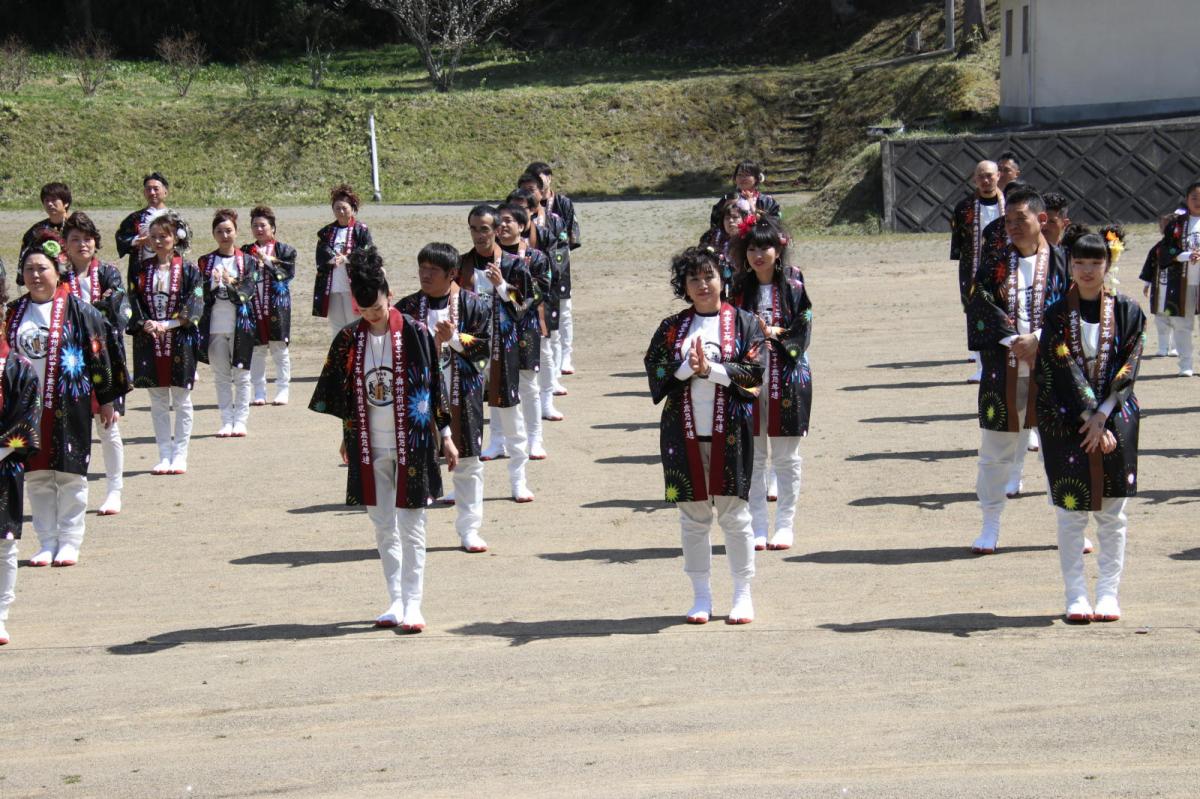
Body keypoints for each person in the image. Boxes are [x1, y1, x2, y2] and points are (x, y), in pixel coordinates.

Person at [309, 247, 456, 631]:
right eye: (365, 311)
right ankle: (394, 599)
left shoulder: (415, 332)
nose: (372, 316)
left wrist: (446, 433)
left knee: (413, 522)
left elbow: (433, 386)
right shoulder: (348, 339)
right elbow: (342, 393)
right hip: (368, 442)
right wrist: (346, 434)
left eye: (377, 308)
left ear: (389, 296)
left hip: (412, 442)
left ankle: (414, 602)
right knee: (382, 523)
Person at [644, 247, 764, 625]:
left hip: (731, 432)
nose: (702, 285)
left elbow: (754, 374)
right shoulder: (672, 327)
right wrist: (685, 369)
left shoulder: (746, 323)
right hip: (684, 433)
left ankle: (742, 595)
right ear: (684, 286)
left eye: (709, 276)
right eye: (693, 279)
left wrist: (710, 368)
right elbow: (656, 372)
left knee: (735, 516)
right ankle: (700, 595)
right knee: (693, 518)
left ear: (723, 279)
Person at [1036, 225, 1144, 622]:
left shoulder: (1128, 310)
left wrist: (1103, 415)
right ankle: (1076, 594)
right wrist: (1087, 415)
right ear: (1070, 264)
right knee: (1071, 513)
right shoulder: (1055, 315)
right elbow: (1057, 367)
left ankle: (1109, 594)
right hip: (1066, 420)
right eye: (1079, 262)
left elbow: (1130, 364)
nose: (1087, 270)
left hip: (1116, 416)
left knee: (1113, 513)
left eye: (1095, 262)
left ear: (1107, 263)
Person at [7, 232, 125, 568]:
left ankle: (70, 540)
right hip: (26, 409)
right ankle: (46, 541)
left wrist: (106, 399)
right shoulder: (14, 313)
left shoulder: (80, 310)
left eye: (41, 268)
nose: (35, 275)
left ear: (57, 271)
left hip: (69, 402)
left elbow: (100, 356)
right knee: (37, 475)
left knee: (70, 475)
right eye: (29, 269)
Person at [966, 188, 1070, 554]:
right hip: (1004, 364)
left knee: (1060, 449)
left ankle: (1069, 525)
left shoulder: (1064, 262)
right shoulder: (994, 263)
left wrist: (1039, 338)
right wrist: (1014, 341)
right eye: (1007, 221)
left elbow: (1076, 309)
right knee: (996, 451)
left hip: (1055, 369)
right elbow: (980, 307)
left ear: (1042, 220)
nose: (1012, 227)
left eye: (1020, 220)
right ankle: (990, 523)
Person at [396, 243, 491, 553]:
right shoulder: (407, 308)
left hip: (463, 395)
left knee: (468, 463)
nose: (425, 275)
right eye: (421, 268)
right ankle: (412, 534)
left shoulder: (473, 305)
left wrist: (453, 338)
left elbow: (484, 351)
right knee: (416, 466)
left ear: (453, 274)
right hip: (419, 401)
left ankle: (469, 530)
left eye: (432, 270)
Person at [729, 216, 812, 552]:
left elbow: (803, 327)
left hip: (788, 377)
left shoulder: (794, 283)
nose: (758, 254)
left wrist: (775, 335)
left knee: (787, 457)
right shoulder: (737, 287)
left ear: (779, 249)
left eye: (764, 246)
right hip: (748, 377)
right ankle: (758, 526)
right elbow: (729, 331)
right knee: (753, 454)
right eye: (751, 248)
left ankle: (785, 525)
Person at [460, 205, 536, 502]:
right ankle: (464, 483)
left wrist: (502, 285)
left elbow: (524, 304)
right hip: (467, 350)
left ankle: (518, 480)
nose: (479, 235)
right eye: (474, 229)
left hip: (502, 352)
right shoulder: (461, 264)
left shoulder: (514, 265)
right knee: (465, 418)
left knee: (509, 414)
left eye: (485, 229)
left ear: (496, 231)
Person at [61, 212, 132, 515]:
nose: (82, 244)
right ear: (64, 244)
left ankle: (115, 489)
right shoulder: (58, 275)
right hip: (69, 362)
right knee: (72, 429)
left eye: (87, 239)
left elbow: (116, 307)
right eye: (74, 239)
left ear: (95, 242)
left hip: (104, 358)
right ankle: (76, 493)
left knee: (108, 426)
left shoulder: (108, 273)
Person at [127, 212, 204, 475]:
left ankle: (180, 454)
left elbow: (195, 301)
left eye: (165, 236)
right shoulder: (141, 270)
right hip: (149, 339)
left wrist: (170, 324)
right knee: (157, 399)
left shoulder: (190, 269)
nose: (159, 241)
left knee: (182, 398)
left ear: (175, 238)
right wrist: (144, 322)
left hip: (179, 338)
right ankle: (163, 453)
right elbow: (133, 301)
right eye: (155, 236)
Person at [0, 264, 44, 645]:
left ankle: (0, 612)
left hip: (3, 470)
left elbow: (27, 429)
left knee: (3, 544)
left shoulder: (18, 368)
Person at [496, 201, 552, 459]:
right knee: (496, 385)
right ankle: (498, 440)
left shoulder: (536, 258)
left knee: (528, 385)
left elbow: (536, 295)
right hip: (493, 329)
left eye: (508, 220)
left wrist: (503, 288)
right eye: (498, 221)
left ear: (522, 225)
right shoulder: (486, 258)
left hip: (525, 329)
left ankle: (535, 438)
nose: (502, 225)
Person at [198, 209, 259, 437]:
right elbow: (198, 292)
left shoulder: (248, 261)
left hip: (240, 324)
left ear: (236, 232)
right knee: (221, 375)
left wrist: (230, 283)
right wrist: (212, 284)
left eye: (228, 231)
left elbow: (249, 289)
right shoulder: (205, 261)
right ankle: (226, 419)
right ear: (214, 234)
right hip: (214, 325)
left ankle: (241, 420)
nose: (224, 235)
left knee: (242, 374)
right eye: (219, 231)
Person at [507, 187, 564, 420]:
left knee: (544, 352)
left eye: (523, 207)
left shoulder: (542, 236)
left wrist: (523, 294)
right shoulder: (496, 246)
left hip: (537, 305)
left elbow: (554, 267)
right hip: (507, 312)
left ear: (532, 211)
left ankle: (547, 400)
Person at [525, 162, 581, 376]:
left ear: (548, 178)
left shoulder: (562, 203)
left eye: (542, 178)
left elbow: (569, 238)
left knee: (563, 312)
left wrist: (555, 264)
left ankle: (565, 356)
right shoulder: (520, 206)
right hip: (531, 271)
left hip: (559, 267)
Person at [950, 161, 1004, 383]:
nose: (986, 180)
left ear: (998, 176)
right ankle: (982, 367)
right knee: (977, 317)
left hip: (1004, 268)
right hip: (973, 270)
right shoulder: (963, 208)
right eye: (981, 176)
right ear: (974, 179)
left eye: (990, 175)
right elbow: (959, 242)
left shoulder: (1010, 205)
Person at [244, 205, 295, 405]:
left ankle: (283, 389)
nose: (259, 229)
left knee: (279, 348)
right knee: (257, 349)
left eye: (263, 225)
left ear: (273, 227)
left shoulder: (285, 250)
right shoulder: (245, 251)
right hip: (253, 305)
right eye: (255, 225)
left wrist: (266, 260)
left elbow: (286, 274)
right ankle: (259, 390)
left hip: (277, 306)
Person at [1153, 181, 1200, 376]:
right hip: (1182, 281)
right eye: (1194, 198)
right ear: (1187, 200)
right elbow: (1165, 249)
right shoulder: (1176, 224)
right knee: (1182, 324)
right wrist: (1186, 255)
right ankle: (1186, 364)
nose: (1198, 202)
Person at [314, 184, 373, 335]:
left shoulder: (361, 230)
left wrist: (347, 258)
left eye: (344, 208)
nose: (340, 212)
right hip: (333, 285)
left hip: (352, 285)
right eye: (337, 208)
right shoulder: (326, 232)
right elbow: (321, 252)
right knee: (337, 326)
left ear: (352, 208)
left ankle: (356, 355)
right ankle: (339, 356)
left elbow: (368, 251)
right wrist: (334, 258)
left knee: (354, 322)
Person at [115, 172, 174, 282]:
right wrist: (137, 241)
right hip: (141, 270)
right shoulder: (135, 218)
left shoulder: (174, 218)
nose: (152, 193)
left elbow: (185, 241)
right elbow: (121, 237)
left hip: (170, 268)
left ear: (165, 191)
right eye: (148, 189)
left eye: (156, 189)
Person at [1138, 213, 1183, 358]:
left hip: (1176, 290)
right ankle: (1163, 347)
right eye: (1162, 226)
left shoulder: (1181, 247)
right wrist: (1147, 283)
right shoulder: (1157, 248)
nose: (1163, 228)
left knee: (1176, 319)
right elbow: (1149, 266)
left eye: (1166, 225)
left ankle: (1175, 347)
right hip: (1160, 289)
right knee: (1161, 320)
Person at [707, 161, 781, 232]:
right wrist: (725, 207)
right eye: (739, 175)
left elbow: (774, 224)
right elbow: (715, 223)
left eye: (747, 175)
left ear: (756, 178)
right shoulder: (727, 198)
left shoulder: (767, 201)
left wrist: (754, 208)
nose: (743, 178)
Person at [18, 182, 72, 267]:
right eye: (46, 200)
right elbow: (24, 259)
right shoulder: (36, 231)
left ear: (66, 203)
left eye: (54, 199)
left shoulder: (76, 226)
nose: (49, 204)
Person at [701, 198, 751, 283]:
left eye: (735, 217)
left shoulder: (749, 241)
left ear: (744, 219)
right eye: (727, 218)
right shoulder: (712, 238)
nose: (731, 221)